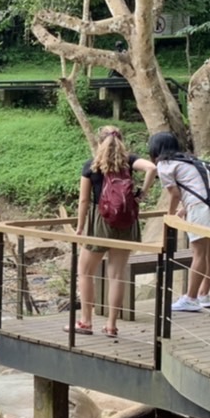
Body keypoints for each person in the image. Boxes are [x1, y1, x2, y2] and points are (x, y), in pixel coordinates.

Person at [74, 126, 155, 337]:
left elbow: (84, 200)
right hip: (126, 222)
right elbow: (152, 169)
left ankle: (85, 322)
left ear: (99, 142)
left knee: (85, 271)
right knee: (117, 275)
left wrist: (80, 226)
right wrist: (142, 195)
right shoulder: (129, 162)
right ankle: (111, 325)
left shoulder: (91, 167)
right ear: (121, 141)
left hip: (100, 222)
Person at [148, 131, 210, 313]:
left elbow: (175, 194)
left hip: (199, 209)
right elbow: (193, 189)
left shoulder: (165, 165)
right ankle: (203, 295)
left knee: (198, 254)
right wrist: (183, 210)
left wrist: (170, 216)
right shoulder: (187, 160)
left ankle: (190, 298)